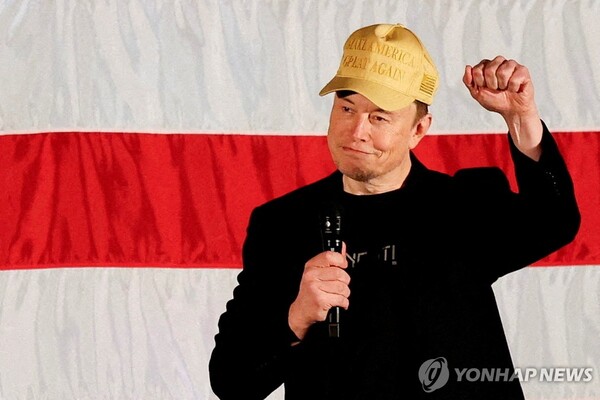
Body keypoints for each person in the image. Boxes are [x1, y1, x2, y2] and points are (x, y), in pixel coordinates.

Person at [209, 23, 580, 400]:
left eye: (380, 117)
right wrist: (296, 318)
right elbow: (231, 381)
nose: (357, 131)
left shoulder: (464, 206)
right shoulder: (282, 224)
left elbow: (555, 222)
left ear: (419, 129)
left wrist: (520, 117)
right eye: (347, 108)